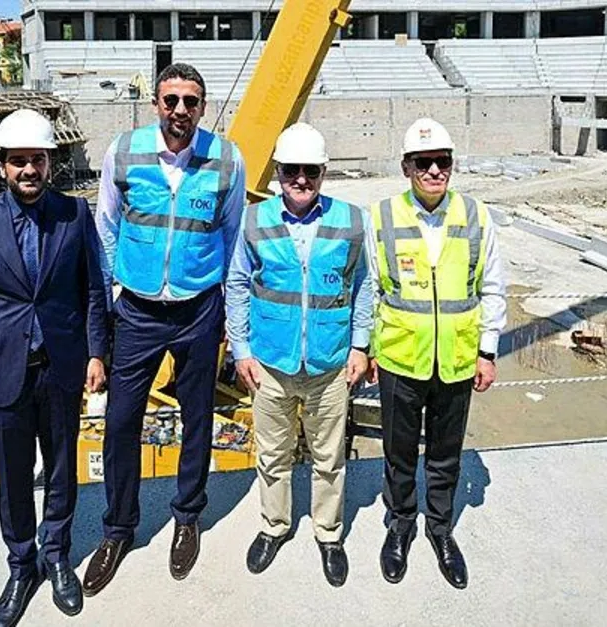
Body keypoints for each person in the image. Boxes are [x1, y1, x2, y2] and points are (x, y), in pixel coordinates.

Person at [86, 62, 247, 594]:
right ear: (156, 102)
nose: (180, 109)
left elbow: (233, 238)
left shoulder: (227, 159)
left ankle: (187, 517)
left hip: (199, 310)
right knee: (121, 422)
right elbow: (106, 228)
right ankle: (118, 529)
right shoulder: (123, 152)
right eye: (171, 99)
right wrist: (112, 298)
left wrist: (227, 312)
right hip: (137, 312)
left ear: (203, 106)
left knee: (197, 418)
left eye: (190, 101)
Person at [0, 109, 108, 627]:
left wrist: (97, 352)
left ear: (50, 162)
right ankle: (21, 567)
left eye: (37, 159)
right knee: (13, 478)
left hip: (60, 368)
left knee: (61, 470)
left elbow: (93, 290)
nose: (29, 169)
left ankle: (56, 557)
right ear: (2, 167)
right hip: (0, 373)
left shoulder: (74, 215)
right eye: (19, 161)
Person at [224, 123, 374, 587]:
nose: (301, 179)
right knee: (273, 454)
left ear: (324, 172)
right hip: (271, 363)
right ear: (278, 172)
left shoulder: (352, 220)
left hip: (330, 365)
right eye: (292, 170)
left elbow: (363, 285)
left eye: (311, 170)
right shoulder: (253, 220)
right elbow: (237, 285)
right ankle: (274, 526)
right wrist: (241, 350)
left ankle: (328, 533)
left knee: (329, 457)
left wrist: (360, 345)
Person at [367, 117, 507, 590]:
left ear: (452, 165)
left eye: (441, 162)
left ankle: (440, 529)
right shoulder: (382, 216)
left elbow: (492, 286)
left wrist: (487, 351)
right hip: (399, 359)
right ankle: (400, 525)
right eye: (423, 162)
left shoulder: (476, 215)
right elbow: (370, 289)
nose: (433, 171)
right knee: (399, 452)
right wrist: (367, 349)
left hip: (456, 358)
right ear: (406, 167)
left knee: (446, 455)